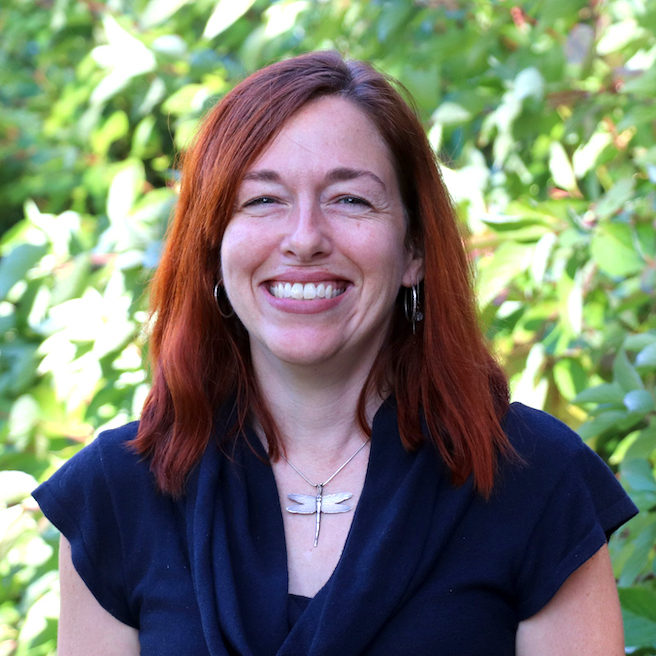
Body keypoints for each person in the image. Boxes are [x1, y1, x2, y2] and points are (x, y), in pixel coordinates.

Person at [34, 51, 637, 656]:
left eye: (349, 200)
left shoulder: (535, 480)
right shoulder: (115, 495)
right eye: (262, 200)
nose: (304, 239)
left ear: (413, 251)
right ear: (214, 245)